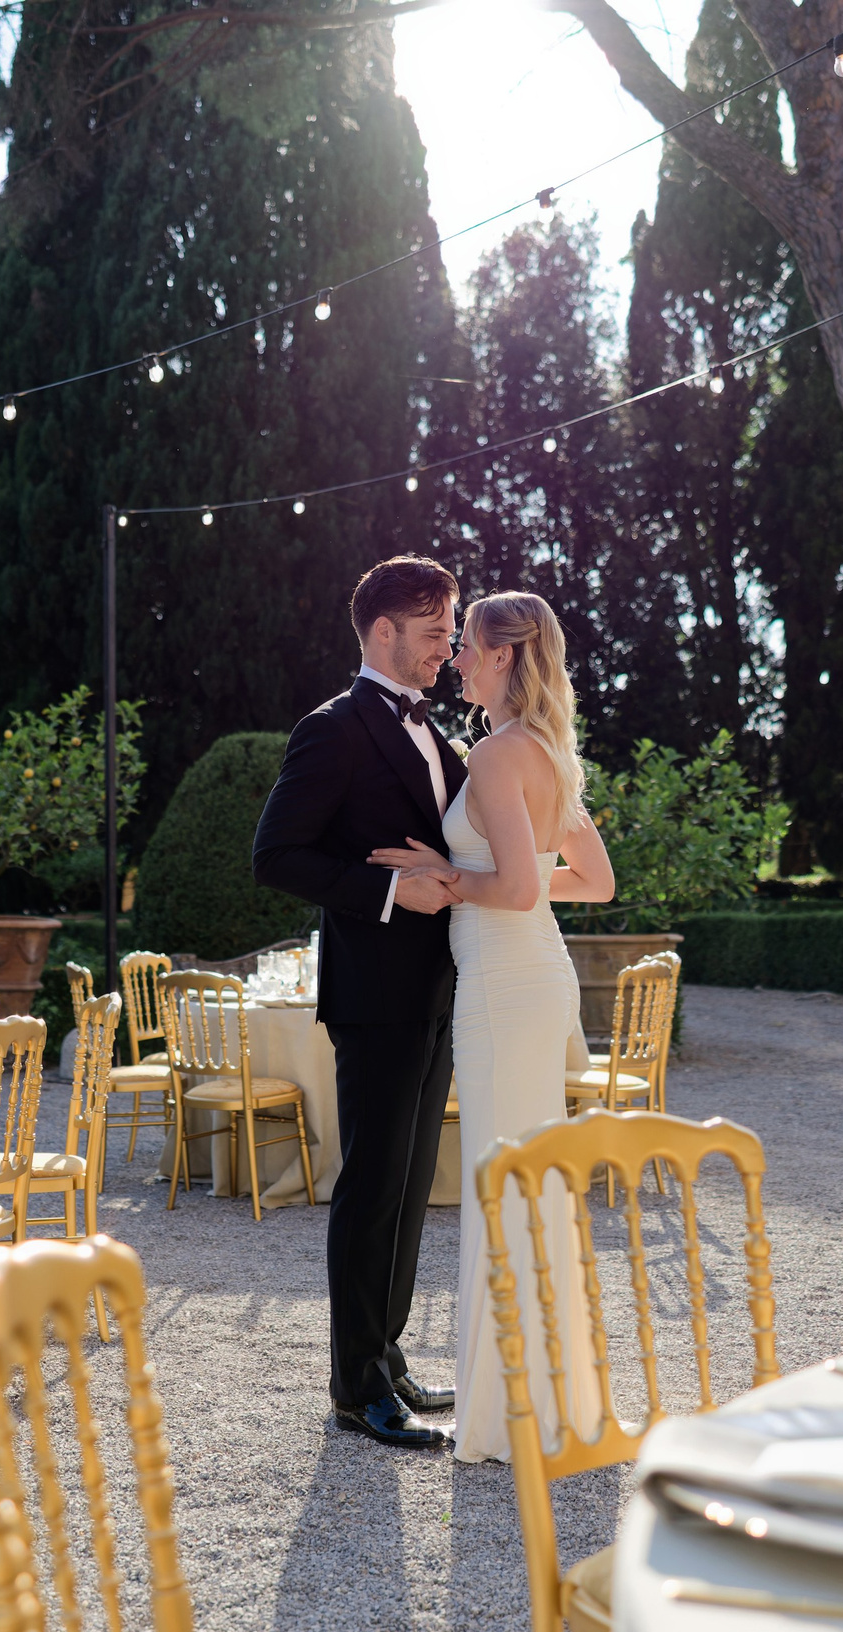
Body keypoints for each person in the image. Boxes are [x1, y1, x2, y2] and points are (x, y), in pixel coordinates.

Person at [367, 591, 615, 1464]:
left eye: (467, 645)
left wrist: (450, 873)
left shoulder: (501, 752)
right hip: (526, 977)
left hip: (507, 991)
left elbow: (513, 888)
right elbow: (590, 878)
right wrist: (501, 876)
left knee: (504, 1183)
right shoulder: (547, 750)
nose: (459, 660)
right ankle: (544, 1398)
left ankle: (522, 1413)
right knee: (525, 1183)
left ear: (505, 657)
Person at [252, 557, 468, 1449]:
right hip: (374, 994)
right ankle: (354, 1388)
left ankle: (389, 1357)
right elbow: (276, 856)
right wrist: (388, 896)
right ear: (383, 631)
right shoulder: (332, 731)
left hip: (440, 989)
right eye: (434, 632)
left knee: (413, 1188)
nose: (448, 648)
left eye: (451, 631)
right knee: (372, 1188)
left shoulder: (438, 732)